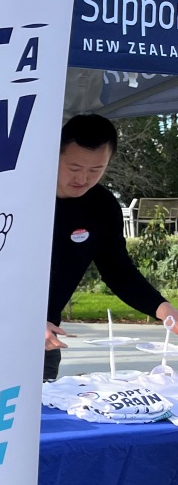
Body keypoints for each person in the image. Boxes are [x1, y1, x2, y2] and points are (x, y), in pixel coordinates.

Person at [46, 114, 178, 381]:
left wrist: (163, 308)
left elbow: (118, 271)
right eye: (74, 167)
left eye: (96, 170)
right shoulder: (19, 197)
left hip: (48, 340)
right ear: (54, 155)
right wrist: (24, 322)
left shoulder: (101, 206)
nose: (83, 178)